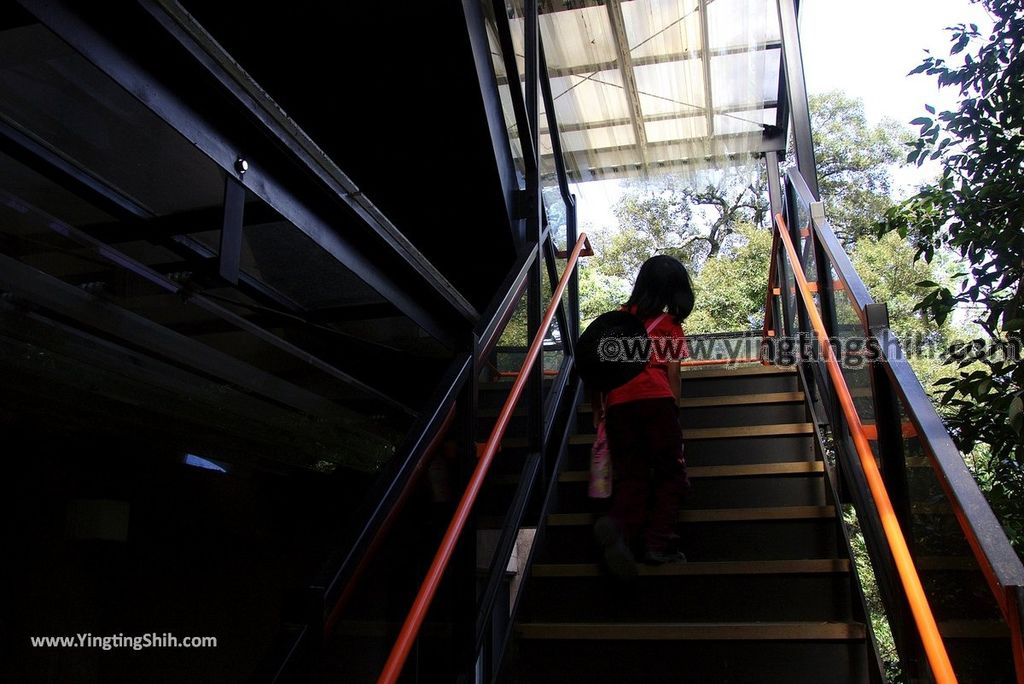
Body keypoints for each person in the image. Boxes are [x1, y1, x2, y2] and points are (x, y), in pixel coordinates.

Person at [592, 254, 694, 578]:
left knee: (633, 474)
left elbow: (597, 369)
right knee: (671, 475)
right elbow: (673, 375)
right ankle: (657, 544)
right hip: (657, 403)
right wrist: (674, 412)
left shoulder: (616, 321)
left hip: (619, 404)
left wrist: (600, 410)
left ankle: (618, 528)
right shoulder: (669, 326)